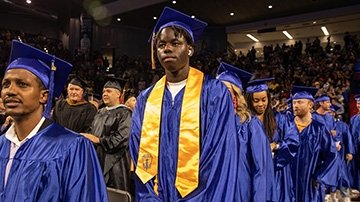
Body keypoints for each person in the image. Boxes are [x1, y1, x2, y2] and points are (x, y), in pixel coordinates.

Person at [130, 7, 238, 201]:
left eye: (175, 43)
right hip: (155, 195)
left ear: (190, 49)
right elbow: (139, 157)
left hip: (202, 196)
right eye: (161, 44)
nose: (167, 49)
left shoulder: (214, 94)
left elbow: (219, 156)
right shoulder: (145, 100)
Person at [0, 40, 107, 201]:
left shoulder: (73, 148)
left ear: (44, 95)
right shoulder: (1, 145)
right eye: (6, 84)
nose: (10, 91)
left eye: (22, 84)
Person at [216, 62, 277, 201]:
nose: (219, 93)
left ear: (236, 96)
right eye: (216, 88)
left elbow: (260, 169)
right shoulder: (208, 125)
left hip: (240, 191)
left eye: (226, 89)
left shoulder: (249, 124)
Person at [245, 78, 299, 202]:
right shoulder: (246, 122)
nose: (260, 104)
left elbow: (293, 141)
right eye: (256, 100)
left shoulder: (280, 119)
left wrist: (277, 146)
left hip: (277, 171)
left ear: (269, 99)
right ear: (249, 101)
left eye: (264, 100)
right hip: (255, 171)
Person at [82, 77, 132, 191]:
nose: (104, 94)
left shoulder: (125, 113)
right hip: (97, 160)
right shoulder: (100, 112)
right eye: (104, 91)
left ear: (118, 94)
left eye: (109, 91)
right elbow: (92, 132)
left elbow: (121, 140)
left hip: (115, 165)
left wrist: (98, 140)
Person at [290, 86, 338, 202]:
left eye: (300, 102)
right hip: (289, 181)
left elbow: (331, 155)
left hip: (310, 181)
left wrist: (320, 176)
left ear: (310, 105)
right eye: (294, 102)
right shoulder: (287, 126)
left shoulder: (319, 129)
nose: (295, 105)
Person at [329, 105, 354, 202]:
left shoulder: (342, 125)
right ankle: (332, 196)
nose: (329, 115)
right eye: (327, 113)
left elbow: (348, 138)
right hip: (327, 157)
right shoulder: (322, 125)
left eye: (331, 113)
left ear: (334, 114)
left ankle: (345, 196)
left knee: (343, 175)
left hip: (340, 156)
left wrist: (350, 152)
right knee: (329, 177)